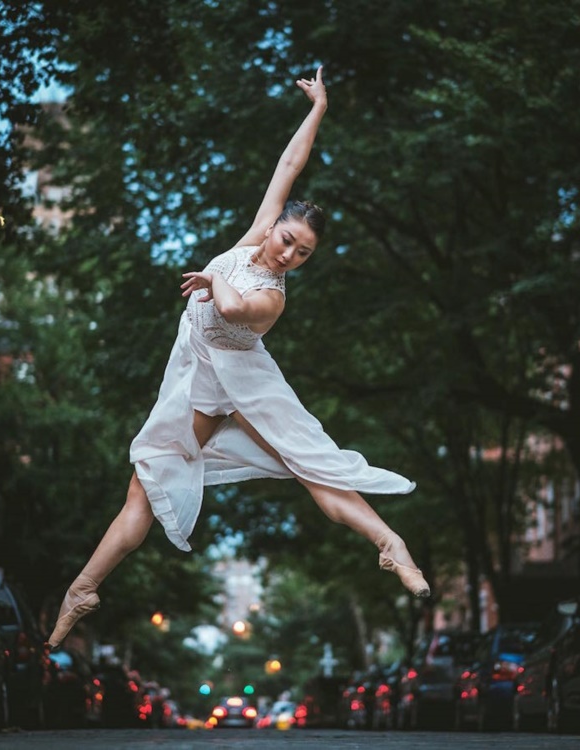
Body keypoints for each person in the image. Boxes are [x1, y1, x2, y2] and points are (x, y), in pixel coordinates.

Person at [48, 66, 429, 649]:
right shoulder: (255, 237)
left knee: (312, 467)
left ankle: (389, 544)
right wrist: (318, 109)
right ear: (274, 227)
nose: (289, 255)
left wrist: (210, 279)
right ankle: (82, 590)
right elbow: (288, 167)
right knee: (144, 486)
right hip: (199, 379)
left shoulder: (271, 298)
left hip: (244, 385)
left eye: (303, 254)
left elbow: (231, 309)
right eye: (287, 240)